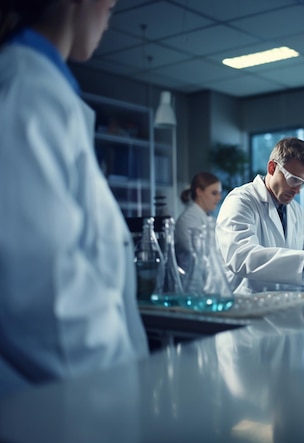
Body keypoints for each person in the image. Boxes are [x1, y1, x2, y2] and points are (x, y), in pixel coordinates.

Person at [0, 0, 148, 397]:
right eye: (111, 3)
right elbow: (46, 296)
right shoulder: (26, 89)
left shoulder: (44, 90)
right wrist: (121, 391)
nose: (109, 15)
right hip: (71, 401)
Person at [216, 137, 304, 294]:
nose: (298, 190)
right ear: (272, 168)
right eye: (293, 180)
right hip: (246, 305)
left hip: (286, 304)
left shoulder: (295, 210)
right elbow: (241, 257)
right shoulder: (241, 200)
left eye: (303, 183)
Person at [174, 172, 222, 273]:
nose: (218, 198)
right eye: (214, 193)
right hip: (194, 281)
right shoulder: (187, 220)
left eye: (219, 193)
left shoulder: (207, 218)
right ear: (199, 192)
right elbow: (200, 256)